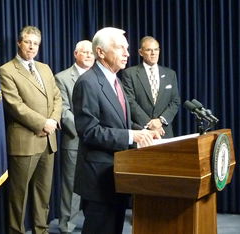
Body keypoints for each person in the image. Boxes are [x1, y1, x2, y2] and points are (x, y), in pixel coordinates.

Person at [72, 27, 161, 234]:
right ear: (101, 52)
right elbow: (89, 131)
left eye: (127, 49)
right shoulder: (88, 83)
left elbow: (119, 123)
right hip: (98, 180)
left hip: (118, 175)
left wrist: (144, 130)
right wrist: (132, 136)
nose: (127, 54)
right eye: (121, 48)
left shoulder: (115, 80)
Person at [0, 26, 62, 234]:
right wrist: (42, 123)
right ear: (19, 43)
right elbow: (15, 105)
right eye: (28, 42)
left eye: (35, 43)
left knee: (42, 194)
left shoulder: (44, 68)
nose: (32, 47)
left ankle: (41, 230)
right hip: (24, 142)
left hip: (48, 141)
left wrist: (52, 120)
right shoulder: (6, 70)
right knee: (19, 196)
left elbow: (57, 97)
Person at [55, 40, 95, 233]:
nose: (88, 55)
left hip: (98, 141)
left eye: (91, 53)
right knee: (71, 185)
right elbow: (63, 110)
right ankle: (66, 225)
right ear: (75, 54)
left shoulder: (99, 77)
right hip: (75, 139)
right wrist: (85, 129)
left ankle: (93, 221)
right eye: (84, 52)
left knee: (96, 183)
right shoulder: (62, 78)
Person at [121, 36, 180, 138]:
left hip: (164, 132)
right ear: (140, 52)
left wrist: (161, 120)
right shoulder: (130, 73)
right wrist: (149, 123)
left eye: (156, 49)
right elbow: (129, 101)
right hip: (141, 132)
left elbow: (175, 101)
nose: (153, 53)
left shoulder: (170, 74)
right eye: (149, 50)